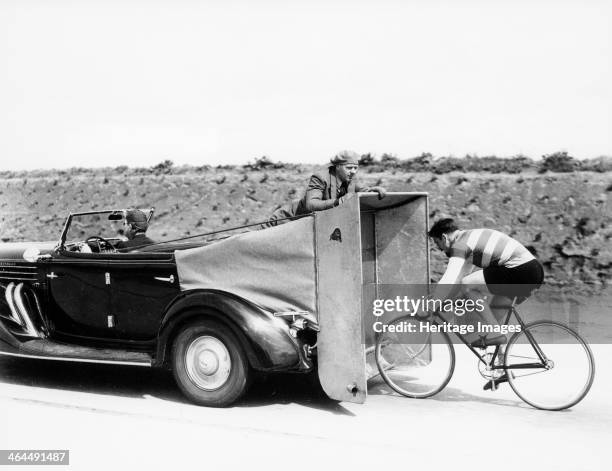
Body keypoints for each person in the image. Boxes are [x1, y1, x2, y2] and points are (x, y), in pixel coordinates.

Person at [428, 218, 544, 389]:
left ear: (444, 238)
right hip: (530, 271)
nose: (440, 249)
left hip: (520, 271)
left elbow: (452, 277)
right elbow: (458, 278)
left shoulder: (460, 245)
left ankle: (495, 333)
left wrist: (431, 304)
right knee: (491, 319)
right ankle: (503, 368)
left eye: (438, 244)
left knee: (469, 286)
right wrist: (443, 301)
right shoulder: (469, 240)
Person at [262, 150, 387, 227]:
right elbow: (311, 204)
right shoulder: (321, 177)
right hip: (288, 219)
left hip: (308, 224)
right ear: (338, 166)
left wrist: (371, 191)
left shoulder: (349, 178)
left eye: (355, 168)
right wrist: (338, 202)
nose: (353, 171)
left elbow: (360, 189)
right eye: (349, 167)